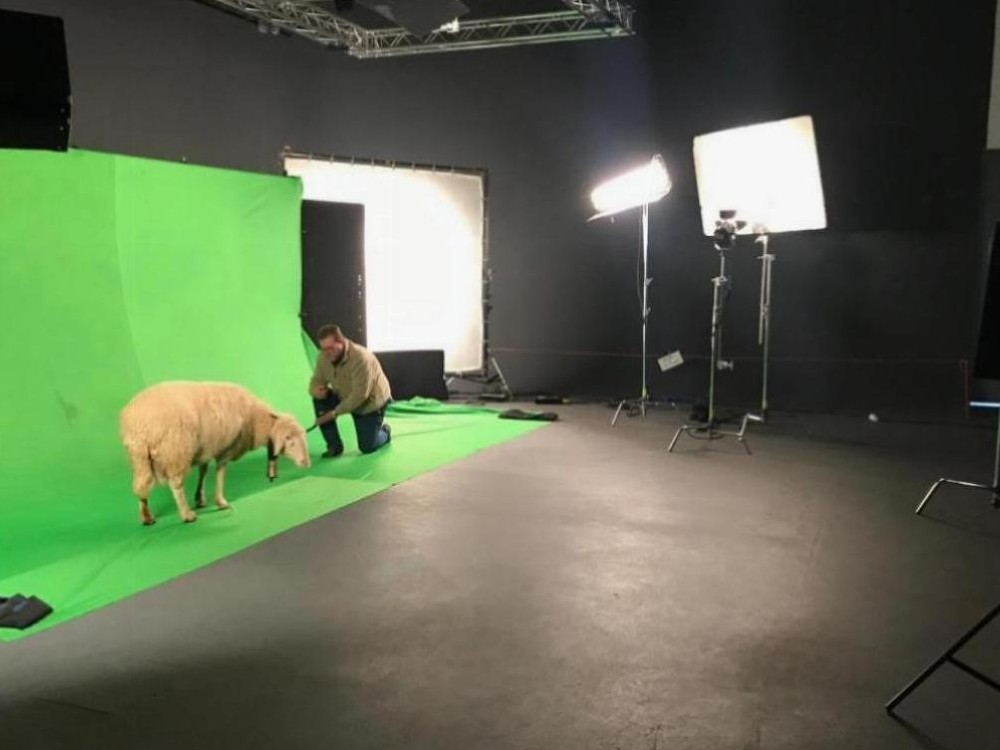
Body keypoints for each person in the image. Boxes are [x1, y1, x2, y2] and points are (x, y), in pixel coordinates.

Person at [309, 324, 393, 457]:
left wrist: (334, 413)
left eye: (330, 348)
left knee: (367, 447)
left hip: (370, 403)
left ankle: (385, 432)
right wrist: (316, 390)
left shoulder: (361, 358)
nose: (326, 353)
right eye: (323, 349)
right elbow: (316, 380)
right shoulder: (324, 356)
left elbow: (360, 395)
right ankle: (334, 447)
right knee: (319, 400)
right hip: (344, 394)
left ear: (341, 342)